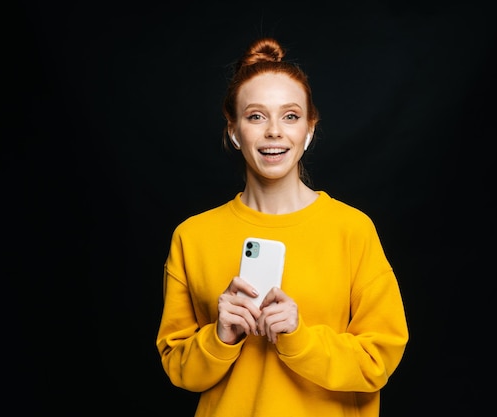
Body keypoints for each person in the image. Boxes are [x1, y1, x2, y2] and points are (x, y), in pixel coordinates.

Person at [156, 37, 409, 417]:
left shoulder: (352, 229)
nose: (274, 131)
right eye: (256, 116)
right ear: (233, 130)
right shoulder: (192, 237)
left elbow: (378, 360)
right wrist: (220, 337)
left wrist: (299, 338)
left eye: (290, 116)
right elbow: (180, 369)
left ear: (308, 129)